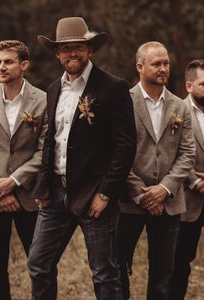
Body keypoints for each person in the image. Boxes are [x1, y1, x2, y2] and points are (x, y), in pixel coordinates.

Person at [27, 16, 136, 300]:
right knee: (38, 263)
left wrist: (106, 193)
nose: (72, 53)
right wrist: (43, 185)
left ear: (89, 50)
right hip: (56, 192)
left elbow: (125, 146)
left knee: (104, 271)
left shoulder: (112, 87)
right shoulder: (53, 89)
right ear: (56, 53)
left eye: (78, 46)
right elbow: (52, 140)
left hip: (94, 194)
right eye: (66, 48)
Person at [118, 41, 195, 300]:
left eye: (166, 63)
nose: (164, 68)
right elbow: (115, 155)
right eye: (157, 63)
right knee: (119, 266)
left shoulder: (180, 106)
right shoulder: (122, 102)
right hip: (128, 202)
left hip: (169, 202)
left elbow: (187, 154)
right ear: (140, 67)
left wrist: (164, 189)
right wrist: (142, 194)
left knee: (164, 272)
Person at [0, 40, 47, 300]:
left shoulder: (42, 100)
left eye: (8, 61)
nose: (1, 67)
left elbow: (44, 152)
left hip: (29, 196)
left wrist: (14, 181)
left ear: (24, 65)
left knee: (39, 263)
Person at [170, 59, 204, 300]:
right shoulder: (175, 111)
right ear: (189, 86)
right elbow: (169, 153)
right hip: (186, 202)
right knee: (178, 264)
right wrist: (195, 181)